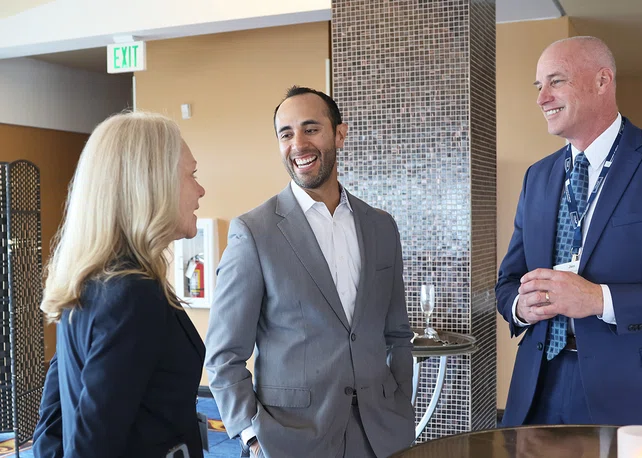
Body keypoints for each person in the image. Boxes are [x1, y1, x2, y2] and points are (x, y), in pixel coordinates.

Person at [496, 36, 642, 431]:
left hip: (638, 395)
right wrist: (520, 309)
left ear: (602, 81)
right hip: (539, 388)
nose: (542, 99)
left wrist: (598, 299)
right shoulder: (537, 176)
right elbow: (508, 281)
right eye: (539, 86)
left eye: (556, 81)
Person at [205, 86, 415, 458]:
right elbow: (224, 356)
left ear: (339, 134)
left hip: (381, 435)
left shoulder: (382, 226)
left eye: (311, 129)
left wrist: (399, 403)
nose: (298, 143)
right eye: (286, 134)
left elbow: (396, 333)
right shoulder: (254, 232)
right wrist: (252, 438)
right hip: (290, 440)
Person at [33, 112, 207, 457]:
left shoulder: (91, 282)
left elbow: (52, 430)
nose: (200, 190)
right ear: (152, 184)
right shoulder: (132, 295)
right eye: (192, 175)